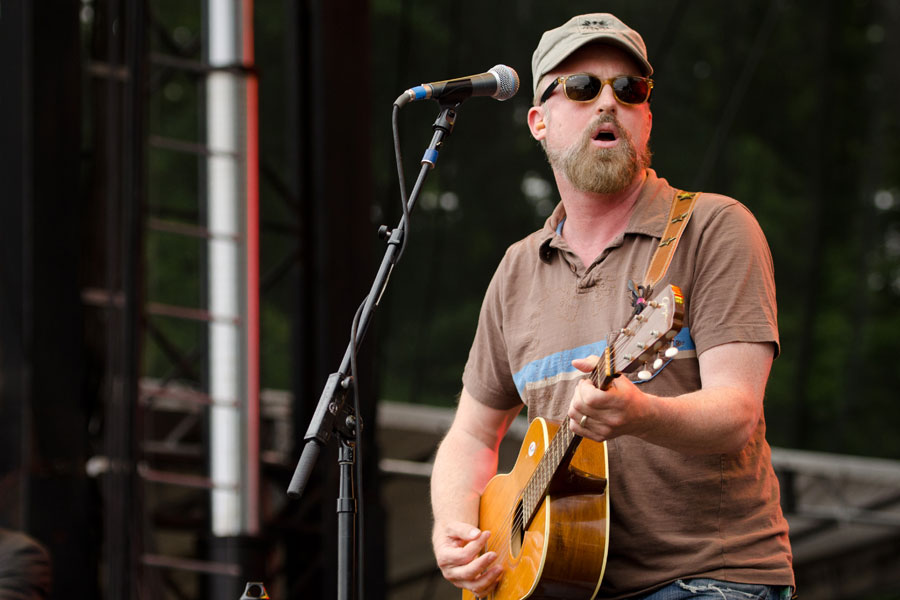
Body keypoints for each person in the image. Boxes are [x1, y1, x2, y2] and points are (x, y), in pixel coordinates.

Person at [429, 12, 795, 600]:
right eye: (581, 87)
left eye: (629, 90)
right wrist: (455, 528)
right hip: (562, 584)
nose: (607, 102)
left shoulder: (714, 227)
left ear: (646, 118)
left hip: (704, 579)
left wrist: (640, 414)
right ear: (538, 121)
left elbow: (737, 413)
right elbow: (471, 435)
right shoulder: (517, 268)